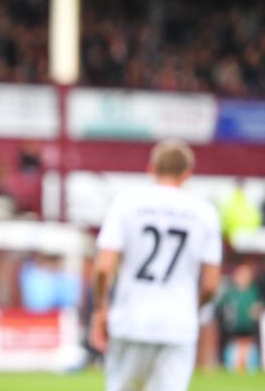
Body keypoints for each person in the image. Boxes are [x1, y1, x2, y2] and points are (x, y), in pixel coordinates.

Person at [89, 139, 222, 391]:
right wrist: (190, 310)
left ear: (151, 168)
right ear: (187, 174)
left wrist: (100, 310)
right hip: (178, 325)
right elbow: (211, 284)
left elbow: (104, 267)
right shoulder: (204, 212)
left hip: (131, 320)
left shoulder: (126, 202)